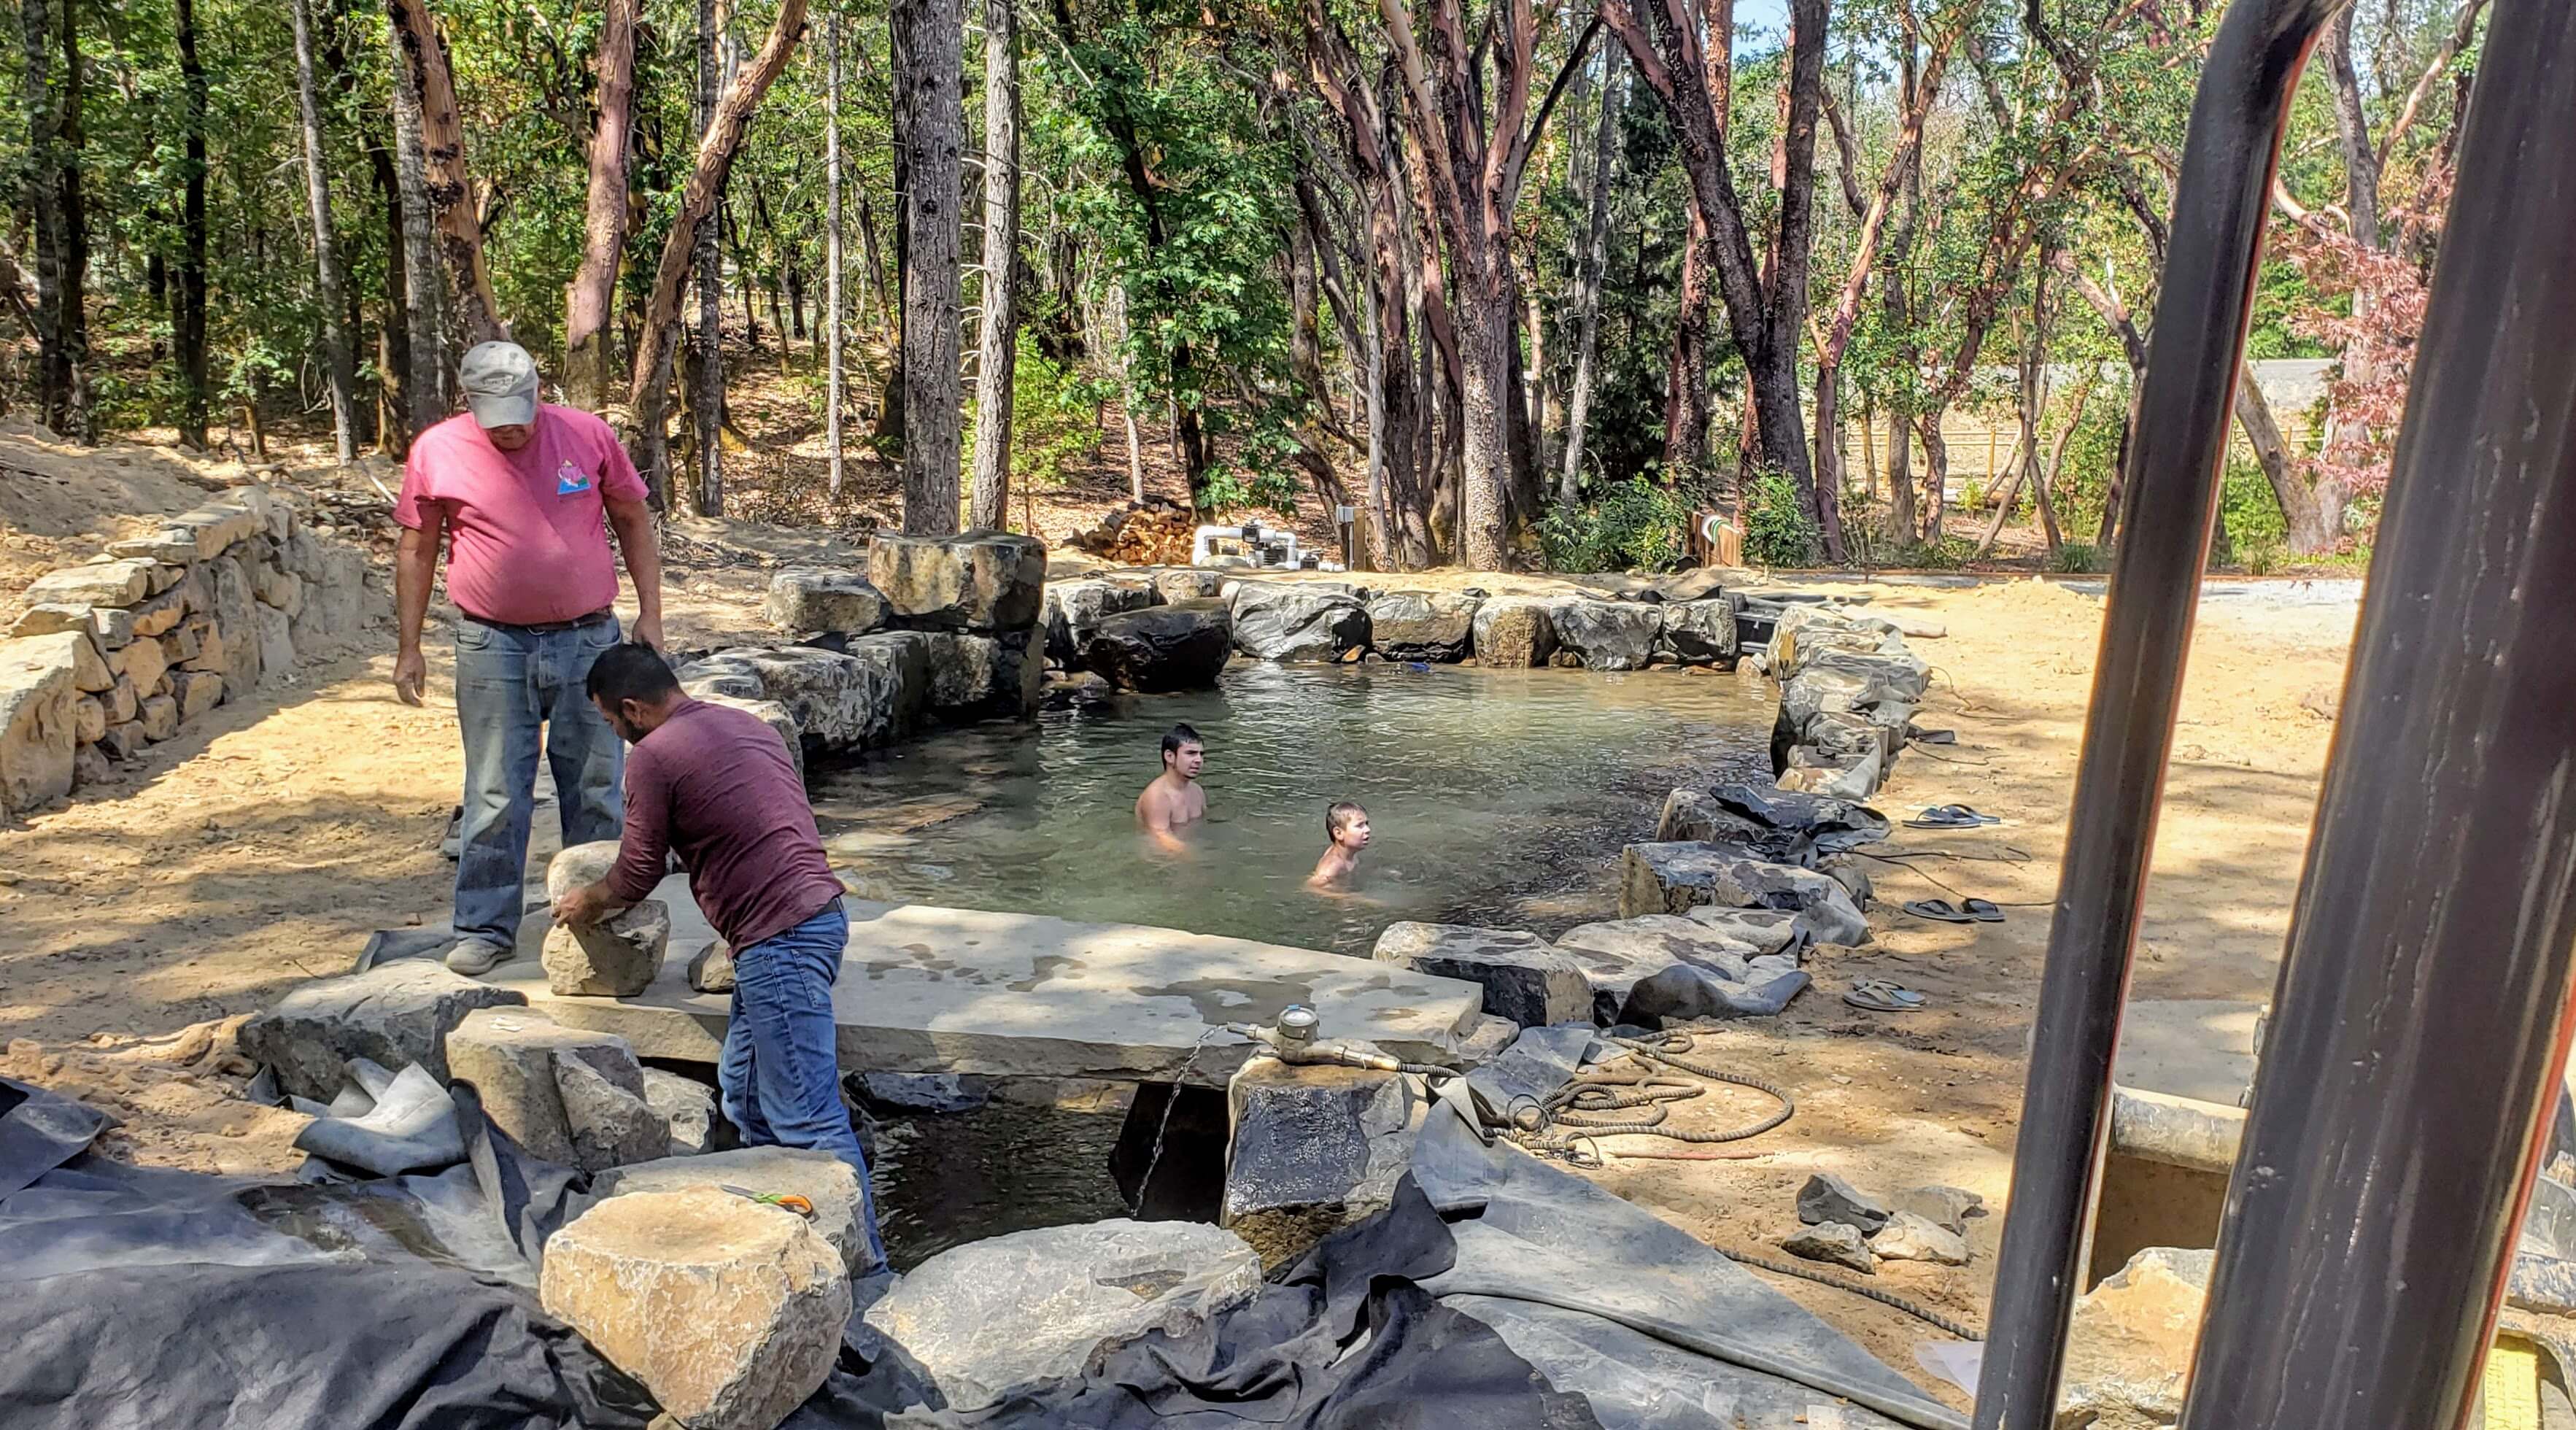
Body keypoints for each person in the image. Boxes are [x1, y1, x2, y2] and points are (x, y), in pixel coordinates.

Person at [553, 644, 889, 1275]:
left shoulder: (653, 757)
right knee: (744, 1093)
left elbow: (638, 871)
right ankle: (779, 1243)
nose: (615, 736)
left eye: (609, 722)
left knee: (809, 1121)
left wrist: (588, 903)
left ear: (632, 710)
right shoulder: (744, 724)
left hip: (777, 942)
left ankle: (866, 1271)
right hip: (816, 919)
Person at [393, 340, 665, 976]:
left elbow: (632, 520)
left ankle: (599, 914)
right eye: (496, 414)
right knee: (493, 790)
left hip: (589, 640)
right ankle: (486, 927)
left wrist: (650, 612)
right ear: (470, 402)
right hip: (491, 643)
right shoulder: (438, 450)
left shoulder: (587, 435)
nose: (511, 426)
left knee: (595, 784)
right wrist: (409, 647)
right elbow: (417, 550)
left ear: (539, 391)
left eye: (520, 409)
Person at [1134, 723, 1207, 851]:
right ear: (1169, 756)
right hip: (1160, 861)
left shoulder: (1197, 791)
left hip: (1186, 852)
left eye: (1201, 754)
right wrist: (1198, 859)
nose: (1198, 760)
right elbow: (1160, 837)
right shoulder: (1157, 796)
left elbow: (1204, 824)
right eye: (1191, 753)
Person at [1306, 801, 1372, 889]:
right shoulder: (1333, 866)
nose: (1368, 830)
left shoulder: (1351, 853)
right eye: (1360, 825)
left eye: (1366, 824)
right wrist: (1362, 900)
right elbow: (1310, 888)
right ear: (1339, 833)